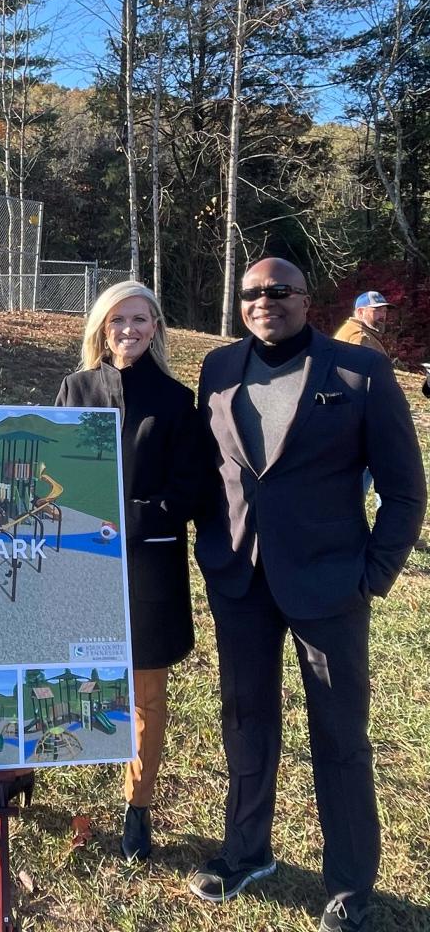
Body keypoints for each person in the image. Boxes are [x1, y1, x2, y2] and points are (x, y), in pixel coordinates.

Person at [190, 257, 426, 932]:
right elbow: (212, 470)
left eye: (279, 291)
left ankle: (351, 884)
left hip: (330, 584)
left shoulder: (359, 371)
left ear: (305, 299)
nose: (265, 301)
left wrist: (373, 573)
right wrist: (208, 544)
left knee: (340, 734)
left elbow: (406, 489)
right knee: (245, 720)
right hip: (240, 578)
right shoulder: (218, 368)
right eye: (252, 293)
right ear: (239, 305)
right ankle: (246, 851)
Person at [55, 281, 206, 862]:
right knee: (57, 670)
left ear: (157, 326)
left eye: (139, 320)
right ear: (100, 326)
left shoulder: (175, 400)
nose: (128, 330)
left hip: (149, 563)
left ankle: (137, 806)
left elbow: (189, 489)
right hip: (79, 563)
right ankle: (25, 773)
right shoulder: (76, 389)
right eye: (117, 320)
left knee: (145, 693)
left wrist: (127, 521)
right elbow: (57, 473)